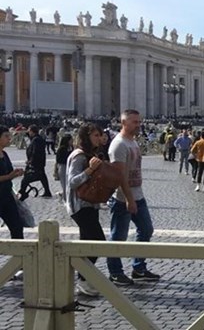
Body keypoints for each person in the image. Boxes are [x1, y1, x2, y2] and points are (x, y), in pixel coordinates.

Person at [107, 109, 159, 286]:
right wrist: (129, 199)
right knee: (118, 237)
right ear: (123, 123)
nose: (138, 125)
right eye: (134, 122)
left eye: (139, 121)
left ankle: (138, 268)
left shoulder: (133, 142)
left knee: (146, 229)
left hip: (138, 194)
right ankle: (115, 272)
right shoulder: (119, 145)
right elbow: (119, 176)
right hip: (123, 198)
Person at [66, 123, 111, 297]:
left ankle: (83, 279)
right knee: (97, 241)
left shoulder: (92, 154)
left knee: (86, 243)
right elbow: (72, 181)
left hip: (91, 204)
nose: (100, 138)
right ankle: (82, 277)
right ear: (86, 137)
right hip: (80, 205)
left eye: (100, 135)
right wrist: (90, 169)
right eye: (95, 135)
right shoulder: (78, 156)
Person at [0, 125, 25, 239]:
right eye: (6, 136)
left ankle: (19, 255)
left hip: (6, 196)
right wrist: (8, 176)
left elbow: (9, 173)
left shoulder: (4, 154)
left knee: (17, 226)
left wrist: (15, 173)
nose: (9, 139)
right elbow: (6, 176)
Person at [18, 125, 52, 200]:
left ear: (32, 131)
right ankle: (47, 191)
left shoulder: (36, 140)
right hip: (40, 162)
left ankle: (22, 192)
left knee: (26, 179)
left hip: (36, 163)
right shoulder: (38, 138)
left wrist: (30, 161)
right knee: (43, 176)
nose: (28, 132)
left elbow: (35, 152)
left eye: (29, 131)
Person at [54, 134, 73, 199]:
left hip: (69, 166)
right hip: (63, 166)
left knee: (68, 184)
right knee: (64, 184)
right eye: (71, 140)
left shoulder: (71, 148)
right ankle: (65, 198)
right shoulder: (62, 149)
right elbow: (59, 159)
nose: (72, 141)